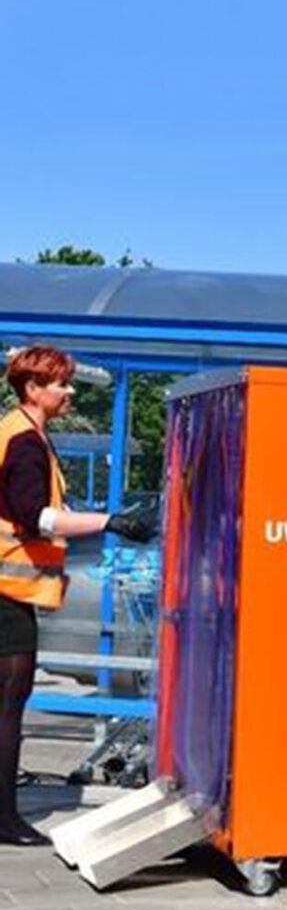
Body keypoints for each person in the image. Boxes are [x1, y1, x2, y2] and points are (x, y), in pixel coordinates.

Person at [0, 345, 154, 847]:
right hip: (5, 589)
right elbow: (36, 516)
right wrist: (110, 521)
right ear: (32, 389)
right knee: (8, 703)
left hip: (12, 588)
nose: (69, 391)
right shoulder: (23, 441)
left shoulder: (23, 433)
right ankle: (4, 818)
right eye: (60, 383)